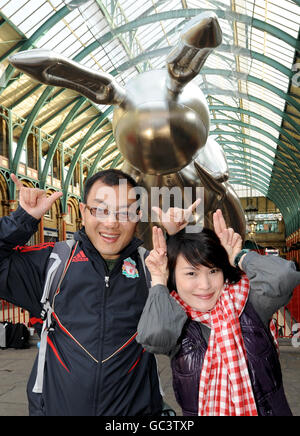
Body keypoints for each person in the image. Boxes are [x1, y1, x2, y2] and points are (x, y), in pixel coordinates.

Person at [0, 169, 190, 416]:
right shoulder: (53, 263)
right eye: (100, 209)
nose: (111, 222)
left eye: (124, 212)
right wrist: (22, 219)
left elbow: (210, 290)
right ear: (82, 211)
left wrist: (180, 237)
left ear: (139, 215)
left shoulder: (153, 269)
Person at [136, 210, 300, 416]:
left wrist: (237, 256)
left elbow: (284, 276)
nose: (205, 285)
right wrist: (159, 279)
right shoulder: (175, 319)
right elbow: (154, 336)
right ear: (174, 277)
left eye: (213, 271)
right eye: (191, 273)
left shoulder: (249, 304)